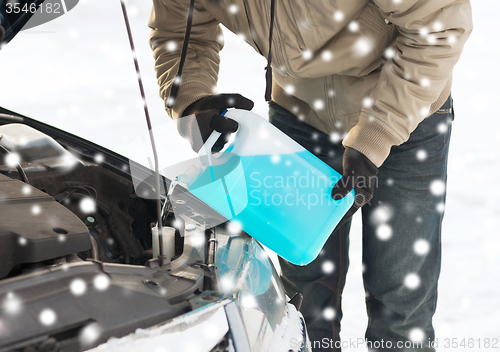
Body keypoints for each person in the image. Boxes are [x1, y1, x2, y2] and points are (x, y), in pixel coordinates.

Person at [148, 0, 472, 350]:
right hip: (299, 118)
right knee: (305, 298)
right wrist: (192, 101)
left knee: (401, 298)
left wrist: (376, 136)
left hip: (406, 112)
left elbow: (439, 27)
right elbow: (180, 30)